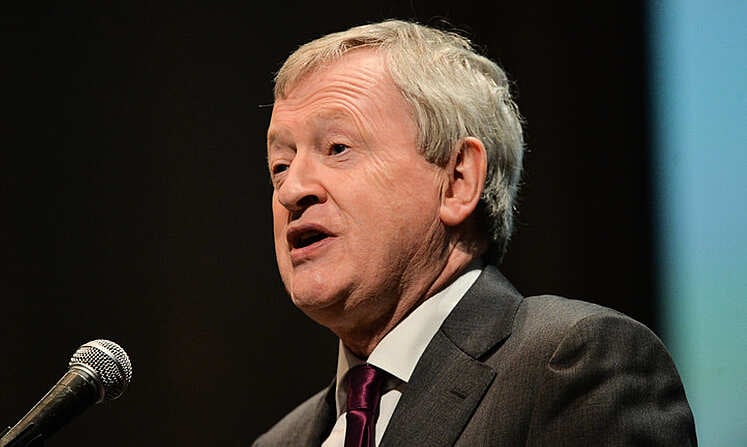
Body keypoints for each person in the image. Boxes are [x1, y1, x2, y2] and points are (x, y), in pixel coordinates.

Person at [254, 19, 696, 446]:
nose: (292, 190)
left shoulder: (572, 365)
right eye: (280, 166)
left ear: (458, 179)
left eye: (338, 148)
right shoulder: (281, 441)